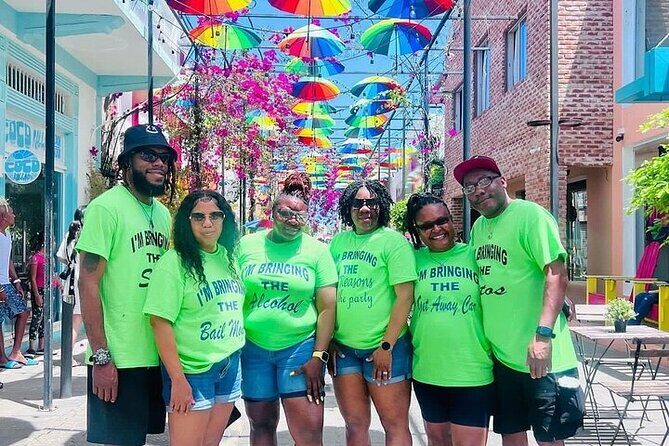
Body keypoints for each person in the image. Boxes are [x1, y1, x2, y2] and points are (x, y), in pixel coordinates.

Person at [453, 155, 584, 446]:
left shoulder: (530, 216)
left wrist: (543, 335)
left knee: (549, 438)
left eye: (484, 180)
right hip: (502, 358)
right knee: (510, 433)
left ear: (502, 181)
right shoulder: (478, 228)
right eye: (469, 187)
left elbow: (556, 273)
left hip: (542, 356)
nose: (478, 190)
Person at [76, 124, 176, 446]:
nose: (158, 163)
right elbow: (87, 283)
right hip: (119, 357)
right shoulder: (106, 208)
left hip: (155, 353)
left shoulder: (163, 214)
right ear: (126, 163)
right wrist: (101, 357)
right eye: (148, 155)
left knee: (141, 439)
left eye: (163, 157)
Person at [237, 173, 338, 446]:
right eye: (285, 213)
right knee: (261, 425)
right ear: (273, 212)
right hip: (253, 349)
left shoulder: (317, 251)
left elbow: (327, 309)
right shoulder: (247, 245)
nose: (292, 220)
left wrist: (318, 355)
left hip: (299, 349)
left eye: (299, 216)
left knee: (308, 433)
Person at [144, 190, 245, 445]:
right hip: (192, 371)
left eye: (215, 215)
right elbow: (160, 322)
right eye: (199, 217)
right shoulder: (174, 263)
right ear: (187, 222)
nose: (207, 223)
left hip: (229, 365)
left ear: (224, 219)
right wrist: (178, 379)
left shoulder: (228, 258)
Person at [329, 180, 417, 446]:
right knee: (355, 425)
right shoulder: (338, 243)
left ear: (381, 206)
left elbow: (405, 296)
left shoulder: (393, 242)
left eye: (371, 202)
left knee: (394, 425)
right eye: (358, 203)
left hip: (387, 348)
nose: (365, 208)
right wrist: (329, 339)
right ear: (348, 208)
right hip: (345, 350)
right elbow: (328, 294)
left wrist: (386, 346)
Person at [404, 193, 493, 446]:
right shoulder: (412, 260)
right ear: (417, 230)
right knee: (437, 442)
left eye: (441, 221)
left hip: (472, 370)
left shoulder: (476, 255)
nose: (436, 229)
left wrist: (554, 296)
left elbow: (510, 281)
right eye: (426, 226)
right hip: (428, 370)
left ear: (452, 220)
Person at [0, 198, 35, 370]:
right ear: (3, 217)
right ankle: (3, 357)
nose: (14, 215)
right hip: (1, 285)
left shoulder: (7, 236)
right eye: (11, 213)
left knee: (23, 312)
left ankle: (15, 352)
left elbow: (8, 261)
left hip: (6, 283)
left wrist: (16, 281)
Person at [57, 207, 86, 361]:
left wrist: (72, 262)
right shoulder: (86, 233)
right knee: (81, 320)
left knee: (73, 321)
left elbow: (61, 257)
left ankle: (67, 357)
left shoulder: (69, 234)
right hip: (84, 281)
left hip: (71, 282)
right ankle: (68, 357)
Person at [27, 232, 45, 356]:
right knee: (36, 317)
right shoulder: (35, 258)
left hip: (46, 290)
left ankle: (41, 345)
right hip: (38, 290)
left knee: (43, 318)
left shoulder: (48, 258)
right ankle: (31, 346)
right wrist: (37, 295)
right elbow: (32, 278)